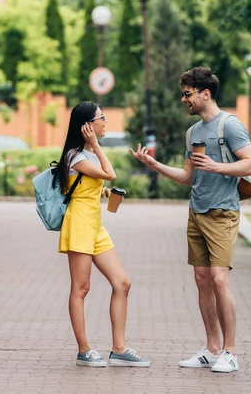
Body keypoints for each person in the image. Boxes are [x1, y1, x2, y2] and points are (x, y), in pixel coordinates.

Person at [130, 67, 251, 373]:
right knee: (202, 281)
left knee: (218, 279)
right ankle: (212, 349)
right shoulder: (193, 132)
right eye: (183, 94)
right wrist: (154, 164)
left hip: (223, 212)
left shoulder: (230, 125)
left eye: (187, 94)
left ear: (205, 93)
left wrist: (216, 167)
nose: (183, 99)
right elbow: (188, 177)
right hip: (197, 211)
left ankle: (231, 352)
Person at [56, 101, 150, 368]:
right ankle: (84, 350)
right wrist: (96, 145)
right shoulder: (76, 156)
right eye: (102, 118)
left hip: (95, 225)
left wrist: (106, 194)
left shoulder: (88, 155)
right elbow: (111, 173)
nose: (106, 122)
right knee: (81, 288)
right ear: (87, 126)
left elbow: (92, 185)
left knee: (122, 283)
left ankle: (119, 349)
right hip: (79, 225)